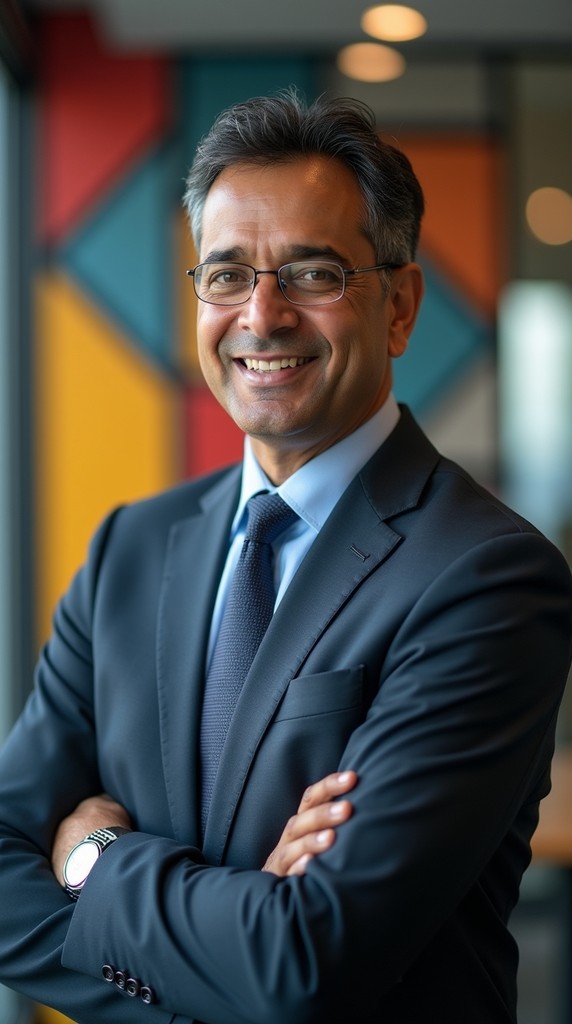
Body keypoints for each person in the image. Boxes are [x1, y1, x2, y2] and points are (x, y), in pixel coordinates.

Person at [0, 90, 571, 1024]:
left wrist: (89, 861)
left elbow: (307, 961)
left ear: (400, 304)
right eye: (226, 274)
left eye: (312, 272)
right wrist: (229, 953)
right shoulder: (128, 552)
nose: (262, 316)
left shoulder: (489, 578)